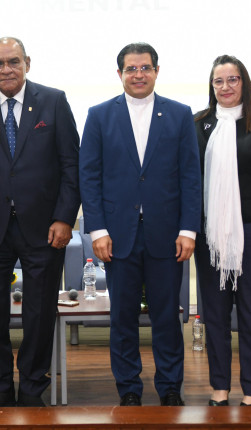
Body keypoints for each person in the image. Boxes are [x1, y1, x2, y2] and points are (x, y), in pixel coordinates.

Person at [0, 37, 80, 407]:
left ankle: (31, 386)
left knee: (40, 312)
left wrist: (64, 217)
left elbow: (70, 165)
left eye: (13, 61)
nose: (6, 69)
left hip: (44, 227)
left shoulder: (53, 101)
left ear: (27, 63)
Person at [79, 42, 201, 406]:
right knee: (123, 319)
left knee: (167, 317)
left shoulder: (179, 115)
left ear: (157, 71)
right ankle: (129, 388)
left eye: (145, 68)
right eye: (131, 69)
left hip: (168, 236)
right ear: (120, 74)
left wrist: (188, 229)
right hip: (117, 237)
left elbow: (190, 177)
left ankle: (169, 387)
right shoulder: (99, 115)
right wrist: (97, 230)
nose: (138, 74)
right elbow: (90, 177)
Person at [193, 55, 251, 407]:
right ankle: (219, 387)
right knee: (215, 315)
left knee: (250, 313)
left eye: (232, 80)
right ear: (211, 86)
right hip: (210, 237)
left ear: (244, 82)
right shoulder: (198, 124)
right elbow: (190, 182)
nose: (225, 87)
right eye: (219, 81)